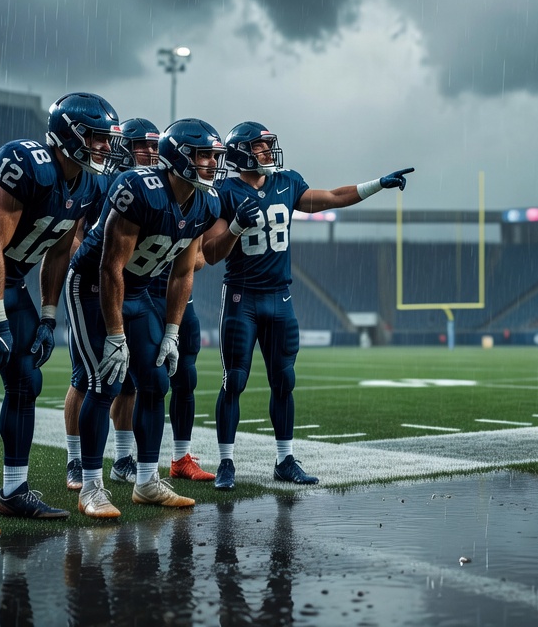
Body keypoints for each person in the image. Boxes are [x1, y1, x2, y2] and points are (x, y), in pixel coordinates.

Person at [0, 92, 123, 536]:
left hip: (14, 281)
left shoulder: (90, 185)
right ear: (68, 136)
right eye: (96, 137)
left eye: (106, 138)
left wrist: (49, 316)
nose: (104, 147)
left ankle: (14, 491)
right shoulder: (25, 163)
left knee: (26, 382)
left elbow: (59, 251)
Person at [202, 121, 412, 489]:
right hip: (242, 297)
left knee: (284, 380)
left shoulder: (286, 183)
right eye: (260, 146)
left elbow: (332, 197)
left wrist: (377, 184)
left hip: (279, 297)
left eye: (268, 144)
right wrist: (234, 228)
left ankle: (285, 460)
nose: (268, 151)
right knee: (233, 380)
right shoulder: (224, 193)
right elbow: (211, 253)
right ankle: (226, 463)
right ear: (242, 152)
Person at [70, 118, 225, 518]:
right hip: (93, 286)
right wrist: (116, 334)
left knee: (155, 382)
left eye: (214, 155)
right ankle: (91, 486)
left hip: (137, 290)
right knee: (104, 381)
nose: (212, 163)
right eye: (204, 155)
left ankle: (146, 482)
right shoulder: (138, 189)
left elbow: (183, 273)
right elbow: (109, 266)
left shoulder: (206, 202)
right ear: (179, 158)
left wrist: (171, 332)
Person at [62, 117, 159, 491]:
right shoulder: (98, 180)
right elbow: (71, 236)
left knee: (129, 382)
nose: (150, 153)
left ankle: (122, 458)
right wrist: (95, 262)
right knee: (87, 378)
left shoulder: (153, 188)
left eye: (155, 146)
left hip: (129, 289)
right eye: (142, 145)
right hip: (92, 286)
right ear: (124, 148)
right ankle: (75, 461)